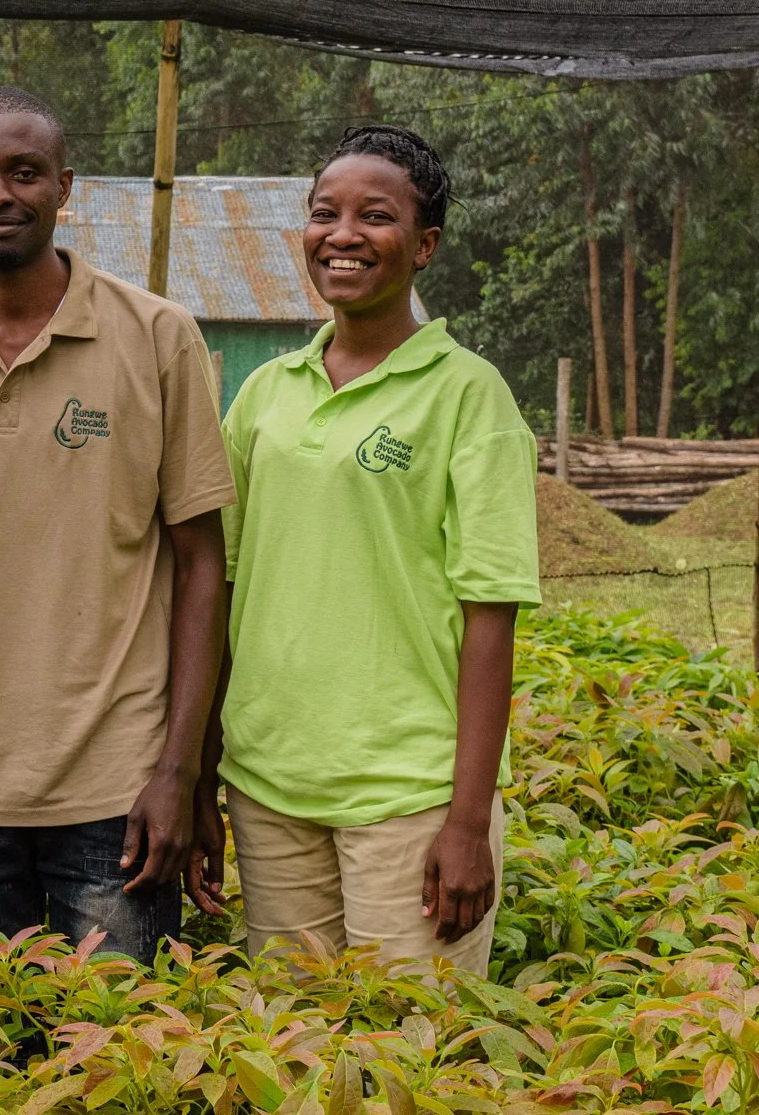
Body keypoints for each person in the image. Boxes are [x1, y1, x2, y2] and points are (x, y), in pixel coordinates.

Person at [0, 86, 234, 958]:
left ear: (66, 185)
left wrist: (182, 772)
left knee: (117, 1068)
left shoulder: (157, 337)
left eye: (23, 171)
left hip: (119, 793)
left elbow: (202, 568)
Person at [206, 125, 538, 973]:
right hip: (270, 786)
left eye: (375, 216)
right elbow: (219, 587)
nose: (343, 234)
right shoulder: (264, 395)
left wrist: (467, 821)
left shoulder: (470, 396)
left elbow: (490, 616)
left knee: (410, 1066)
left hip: (409, 798)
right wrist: (202, 774)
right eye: (326, 213)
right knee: (291, 1060)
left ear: (423, 245)